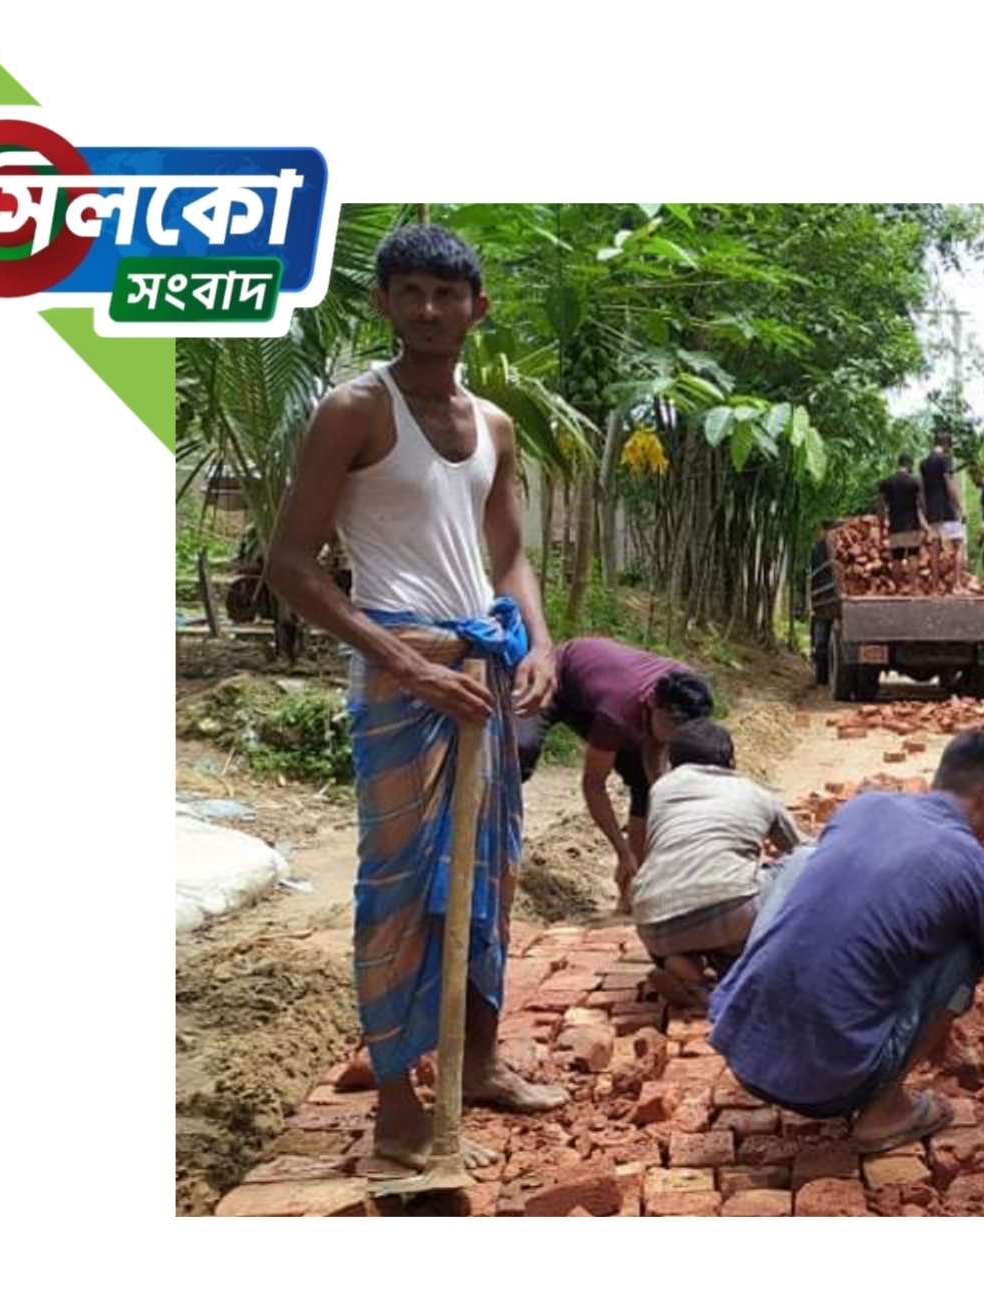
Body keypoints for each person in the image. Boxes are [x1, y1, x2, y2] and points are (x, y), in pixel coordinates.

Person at [267, 221, 567, 1178]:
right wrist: (406, 663)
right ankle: (397, 1112)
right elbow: (291, 565)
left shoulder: (496, 428)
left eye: (448, 293)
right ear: (383, 304)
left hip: (479, 670)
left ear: (478, 309)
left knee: (488, 873)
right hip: (404, 677)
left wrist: (541, 642)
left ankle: (476, 1066)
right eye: (410, 293)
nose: (430, 310)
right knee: (395, 890)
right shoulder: (355, 410)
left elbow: (510, 552)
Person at [708, 733, 984, 1151]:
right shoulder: (978, 873)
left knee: (803, 863)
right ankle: (884, 1111)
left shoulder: (864, 807)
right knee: (968, 944)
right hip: (832, 1088)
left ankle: (764, 1016)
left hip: (743, 1056)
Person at [516, 637, 715, 912]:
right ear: (653, 706)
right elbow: (593, 784)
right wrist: (622, 850)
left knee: (646, 787)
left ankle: (634, 893)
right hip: (559, 676)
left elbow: (659, 763)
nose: (679, 737)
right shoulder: (618, 712)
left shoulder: (687, 688)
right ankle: (489, 844)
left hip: (608, 689)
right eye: (673, 727)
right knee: (519, 751)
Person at [631, 720, 802, 1008]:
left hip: (653, 924)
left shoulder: (662, 789)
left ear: (673, 763)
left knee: (689, 897)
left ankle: (688, 971)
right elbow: (799, 848)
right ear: (732, 760)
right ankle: (739, 970)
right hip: (730, 912)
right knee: (801, 863)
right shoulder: (758, 794)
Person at [920, 438, 963, 589]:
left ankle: (934, 587)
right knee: (958, 545)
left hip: (932, 512)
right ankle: (957, 585)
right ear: (946, 446)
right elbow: (949, 485)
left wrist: (926, 511)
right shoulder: (945, 460)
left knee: (935, 549)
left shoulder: (923, 464)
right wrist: (959, 507)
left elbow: (923, 491)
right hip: (947, 510)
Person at [879, 454, 926, 580]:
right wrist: (926, 524)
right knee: (913, 555)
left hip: (895, 525)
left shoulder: (887, 482)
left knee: (896, 557)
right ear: (909, 464)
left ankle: (897, 588)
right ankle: (913, 588)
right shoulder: (915, 481)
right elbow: (921, 504)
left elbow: (881, 507)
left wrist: (881, 525)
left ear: (898, 464)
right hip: (912, 525)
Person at [807, 522, 838, 689]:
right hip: (826, 597)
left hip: (825, 598)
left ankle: (822, 671)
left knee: (821, 636)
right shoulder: (820, 549)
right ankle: (821, 669)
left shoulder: (822, 547)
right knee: (820, 640)